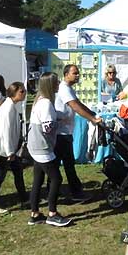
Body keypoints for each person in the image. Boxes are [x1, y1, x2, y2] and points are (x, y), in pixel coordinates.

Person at [27, 72, 72, 227]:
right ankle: (52, 213)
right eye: (56, 81)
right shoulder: (46, 102)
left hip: (35, 145)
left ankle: (35, 213)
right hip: (42, 147)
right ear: (50, 84)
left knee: (38, 180)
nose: (59, 83)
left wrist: (57, 116)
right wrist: (59, 122)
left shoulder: (40, 100)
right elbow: (47, 127)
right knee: (56, 178)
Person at [54, 64, 102, 202]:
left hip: (64, 132)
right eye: (75, 73)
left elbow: (78, 103)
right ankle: (74, 192)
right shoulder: (64, 89)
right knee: (66, 164)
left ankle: (58, 191)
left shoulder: (68, 89)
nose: (77, 76)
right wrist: (92, 119)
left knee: (63, 164)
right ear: (66, 74)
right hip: (61, 133)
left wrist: (92, 113)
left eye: (78, 73)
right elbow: (74, 106)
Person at [0, 82, 28, 216]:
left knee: (18, 171)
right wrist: (10, 152)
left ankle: (24, 198)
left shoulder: (10, 106)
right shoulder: (8, 107)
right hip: (3, 149)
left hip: (7, 148)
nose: (24, 93)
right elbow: (6, 131)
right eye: (22, 91)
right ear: (14, 92)